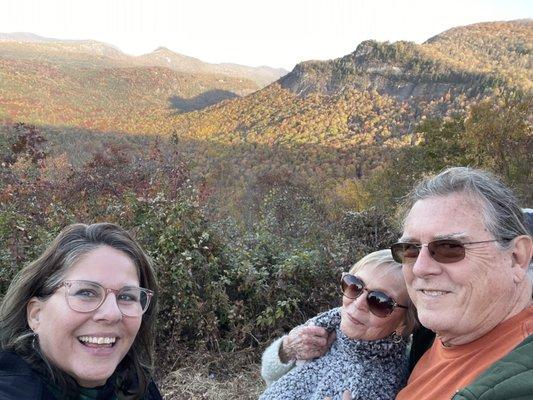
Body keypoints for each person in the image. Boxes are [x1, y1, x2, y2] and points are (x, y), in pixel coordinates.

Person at [391, 167, 533, 399]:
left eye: (449, 247)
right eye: (410, 249)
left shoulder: (520, 386)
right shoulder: (442, 328)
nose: (420, 268)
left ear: (516, 258)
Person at [0, 222, 163, 399]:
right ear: (36, 315)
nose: (112, 314)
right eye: (86, 292)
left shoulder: (138, 385)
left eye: (127, 297)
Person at [259, 249, 417, 400]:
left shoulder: (385, 384)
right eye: (355, 286)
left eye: (379, 301)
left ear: (403, 323)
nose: (358, 303)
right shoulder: (326, 325)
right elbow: (270, 377)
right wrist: (286, 349)